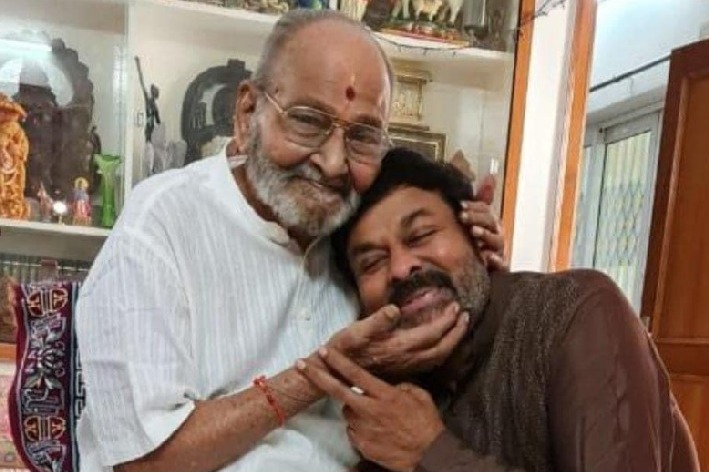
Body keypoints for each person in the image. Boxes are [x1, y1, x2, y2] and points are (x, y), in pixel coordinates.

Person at [75, 10, 504, 472]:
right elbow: (144, 464)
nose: (333, 162)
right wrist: (319, 374)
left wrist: (472, 255)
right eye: (306, 121)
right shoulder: (161, 226)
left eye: (362, 136)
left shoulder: (354, 230)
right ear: (247, 115)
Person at [298, 147, 700, 471]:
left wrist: (430, 452)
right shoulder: (392, 379)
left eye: (421, 235)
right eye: (372, 262)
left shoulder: (575, 312)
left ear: (479, 237)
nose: (401, 268)